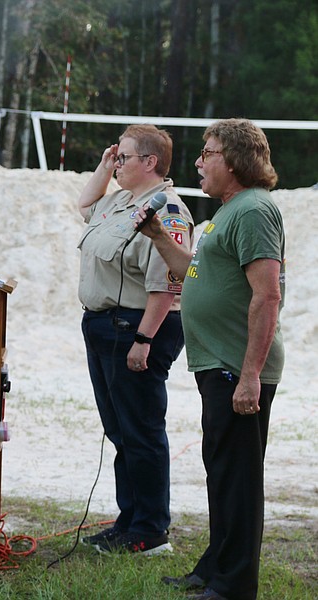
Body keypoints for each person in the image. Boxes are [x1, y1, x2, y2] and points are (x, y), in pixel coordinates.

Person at [138, 119, 284, 600]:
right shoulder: (224, 213)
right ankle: (214, 567)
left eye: (209, 152)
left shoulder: (256, 210)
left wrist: (250, 377)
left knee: (238, 479)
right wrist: (160, 236)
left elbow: (267, 297)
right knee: (221, 470)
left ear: (237, 160)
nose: (199, 161)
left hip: (237, 366)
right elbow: (194, 275)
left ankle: (234, 585)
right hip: (217, 364)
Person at [75, 124, 194, 555]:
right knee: (120, 429)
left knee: (141, 429)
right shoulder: (121, 201)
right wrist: (105, 167)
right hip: (105, 326)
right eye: (116, 156)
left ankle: (150, 529)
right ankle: (129, 520)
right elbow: (84, 203)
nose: (117, 162)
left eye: (123, 157)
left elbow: (169, 285)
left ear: (150, 162)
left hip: (136, 328)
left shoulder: (168, 212)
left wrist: (144, 339)